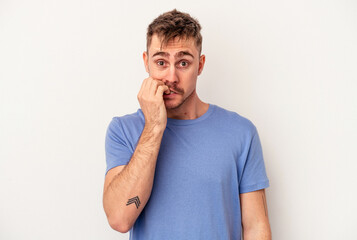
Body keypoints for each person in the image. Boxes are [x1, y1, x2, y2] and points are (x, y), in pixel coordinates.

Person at [103, 9, 271, 240]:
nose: (171, 77)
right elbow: (120, 218)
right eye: (161, 62)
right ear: (146, 62)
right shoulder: (123, 130)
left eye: (183, 63)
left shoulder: (241, 133)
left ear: (200, 65)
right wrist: (153, 125)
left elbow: (256, 228)